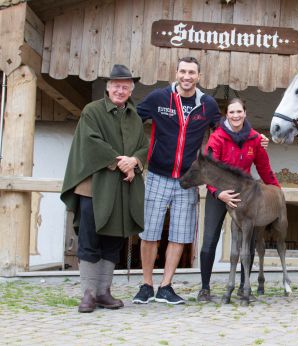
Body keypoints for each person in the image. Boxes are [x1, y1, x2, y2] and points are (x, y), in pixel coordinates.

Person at [132, 56, 222, 305]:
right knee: (149, 233)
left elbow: (224, 132)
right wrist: (131, 154)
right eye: (183, 71)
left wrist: (253, 137)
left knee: (179, 235)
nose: (187, 76)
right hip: (157, 175)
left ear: (199, 76)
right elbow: (130, 120)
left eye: (192, 72)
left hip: (187, 181)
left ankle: (166, 286)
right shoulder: (158, 98)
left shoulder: (208, 104)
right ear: (176, 73)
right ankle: (147, 285)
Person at [61, 64, 148, 313]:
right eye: (116, 86)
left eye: (125, 87)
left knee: (113, 238)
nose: (120, 90)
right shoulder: (92, 111)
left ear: (131, 90)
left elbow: (143, 145)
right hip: (94, 187)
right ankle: (88, 294)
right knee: (90, 237)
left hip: (122, 187)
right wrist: (121, 162)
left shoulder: (134, 116)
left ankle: (103, 291)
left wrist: (135, 162)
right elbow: (90, 142)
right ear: (108, 88)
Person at [197, 98, 280, 302]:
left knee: (248, 241)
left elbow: (264, 169)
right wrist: (218, 192)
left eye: (239, 112)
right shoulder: (217, 138)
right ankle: (205, 289)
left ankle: (245, 287)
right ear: (226, 115)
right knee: (209, 239)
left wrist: (277, 191)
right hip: (219, 194)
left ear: (245, 113)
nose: (235, 116)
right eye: (231, 112)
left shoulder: (254, 139)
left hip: (245, 197)